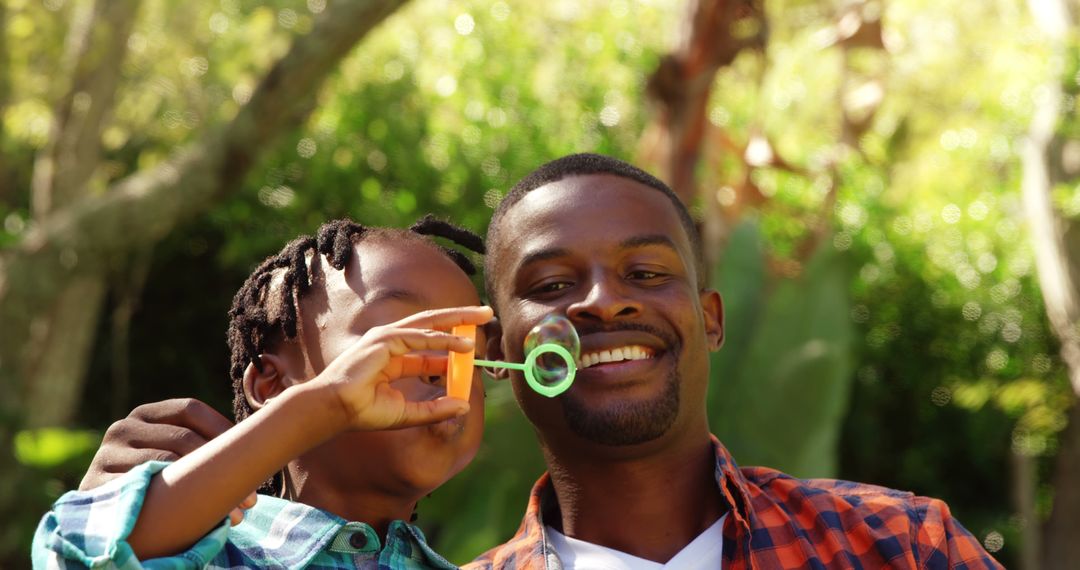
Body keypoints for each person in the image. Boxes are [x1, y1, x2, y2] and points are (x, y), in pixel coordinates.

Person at [75, 154, 1004, 569]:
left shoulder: (899, 548)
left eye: (646, 270)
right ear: (510, 354)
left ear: (709, 318)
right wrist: (155, 508)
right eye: (552, 285)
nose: (604, 300)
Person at [33, 217, 494, 568]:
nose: (447, 367)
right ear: (271, 385)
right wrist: (322, 406)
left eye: (466, 347)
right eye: (403, 335)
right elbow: (78, 550)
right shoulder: (207, 550)